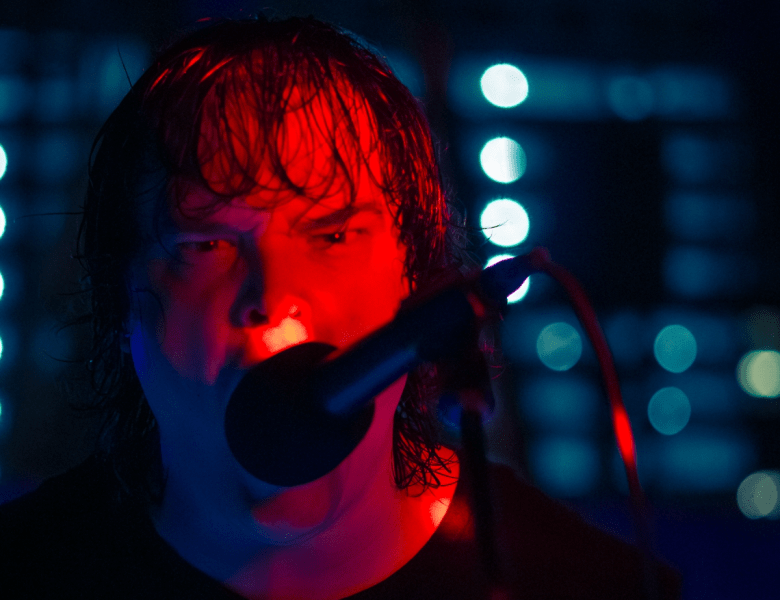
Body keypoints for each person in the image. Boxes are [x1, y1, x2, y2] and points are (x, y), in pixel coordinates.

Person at [0, 15, 680, 599]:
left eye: (332, 235)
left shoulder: (587, 585)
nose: (275, 301)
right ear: (121, 302)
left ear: (415, 278)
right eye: (207, 244)